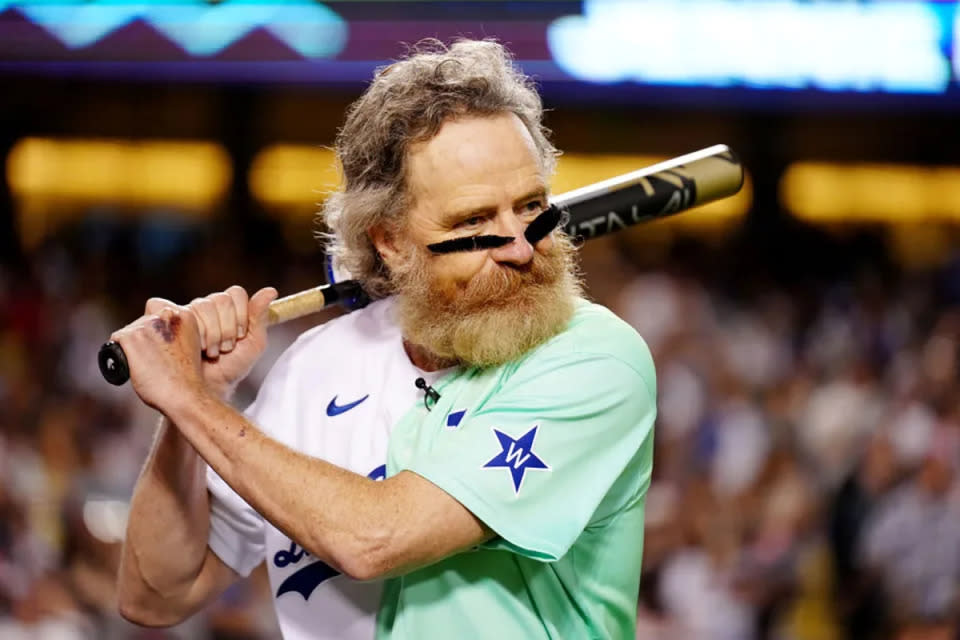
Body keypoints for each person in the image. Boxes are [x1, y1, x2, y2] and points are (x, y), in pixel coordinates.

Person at [112, 39, 656, 639]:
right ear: (390, 243)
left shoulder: (595, 357)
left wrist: (188, 399)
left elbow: (374, 539)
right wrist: (197, 404)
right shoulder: (317, 366)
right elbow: (155, 595)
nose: (522, 247)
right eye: (474, 221)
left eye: (530, 207)